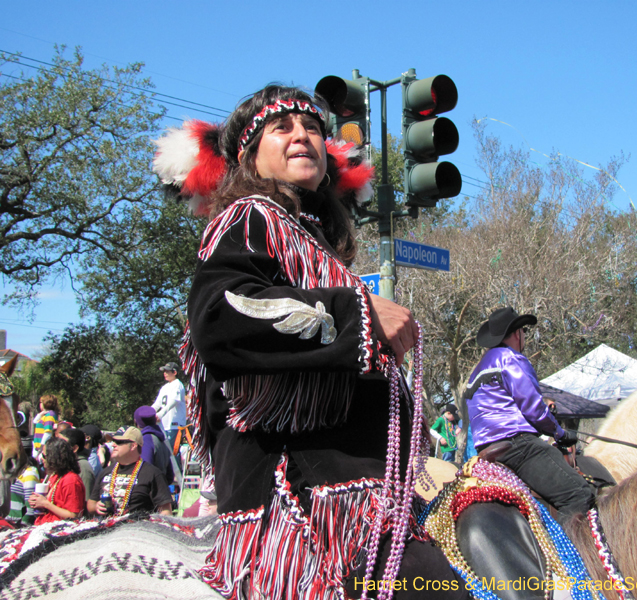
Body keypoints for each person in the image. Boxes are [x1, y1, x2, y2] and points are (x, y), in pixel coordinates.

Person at [152, 84, 463, 599]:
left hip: (357, 495)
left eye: (314, 128)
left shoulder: (309, 239)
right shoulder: (250, 216)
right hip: (303, 504)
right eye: (282, 128)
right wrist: (360, 313)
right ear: (250, 156)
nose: (304, 136)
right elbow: (221, 318)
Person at [465, 307, 592, 523]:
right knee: (579, 494)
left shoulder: (478, 369)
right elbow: (534, 409)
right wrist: (560, 434)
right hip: (518, 446)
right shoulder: (510, 358)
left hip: (485, 450)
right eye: (524, 331)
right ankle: (565, 555)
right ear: (517, 334)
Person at [88, 427, 173, 517]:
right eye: (113, 441)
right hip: (108, 528)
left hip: (138, 528)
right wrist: (96, 507)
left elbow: (165, 511)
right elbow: (91, 503)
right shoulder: (106, 471)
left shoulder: (152, 473)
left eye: (119, 442)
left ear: (133, 446)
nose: (113, 444)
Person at [28, 437, 86, 525]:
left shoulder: (71, 480)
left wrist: (45, 503)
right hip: (44, 526)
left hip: (59, 532)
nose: (41, 459)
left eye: (44, 456)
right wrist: (37, 501)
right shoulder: (55, 476)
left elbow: (74, 516)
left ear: (54, 458)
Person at [134, 405, 175, 483]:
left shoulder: (146, 440)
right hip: (161, 490)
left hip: (149, 492)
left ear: (137, 422)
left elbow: (144, 471)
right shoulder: (161, 440)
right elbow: (170, 476)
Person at [151, 362, 187, 451]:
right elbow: (157, 403)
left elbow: (174, 401)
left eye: (167, 371)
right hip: (164, 425)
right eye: (164, 371)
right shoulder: (164, 387)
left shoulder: (177, 384)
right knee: (165, 451)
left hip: (175, 424)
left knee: (172, 452)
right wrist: (148, 413)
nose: (165, 373)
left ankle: (177, 465)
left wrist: (160, 414)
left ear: (174, 372)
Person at [7, 437, 41, 527]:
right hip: (7, 522)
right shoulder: (14, 471)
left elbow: (30, 505)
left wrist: (24, 525)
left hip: (17, 525)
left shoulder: (30, 472)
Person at [59, 427, 95, 500]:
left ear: (74, 448)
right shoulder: (64, 464)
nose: (56, 446)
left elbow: (85, 501)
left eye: (62, 444)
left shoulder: (83, 468)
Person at [31, 394, 59, 462]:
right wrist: (39, 415)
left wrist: (41, 447)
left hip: (42, 449)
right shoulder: (45, 414)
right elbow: (34, 422)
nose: (40, 404)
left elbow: (48, 432)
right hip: (37, 446)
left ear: (45, 403)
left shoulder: (50, 415)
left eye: (41, 402)